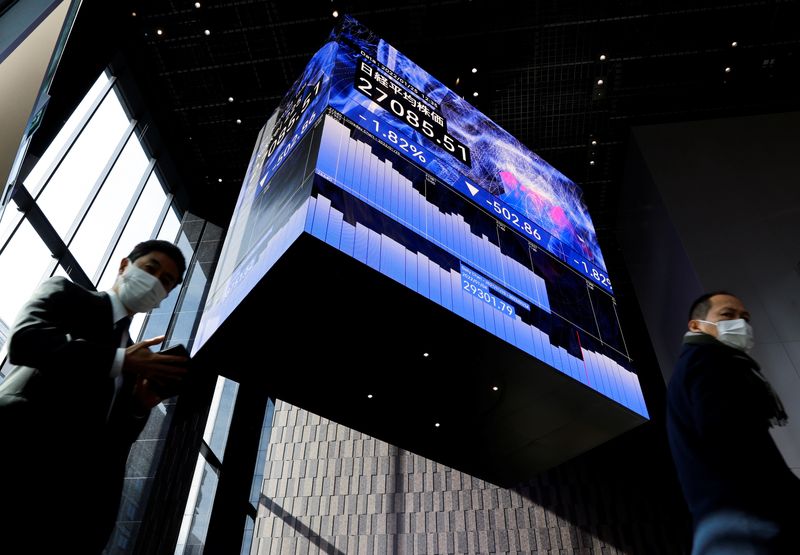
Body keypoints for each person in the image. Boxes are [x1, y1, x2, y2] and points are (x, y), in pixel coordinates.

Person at [0, 239, 190, 554]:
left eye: (166, 281)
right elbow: (25, 341)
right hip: (17, 463)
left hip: (67, 510)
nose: (155, 282)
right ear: (124, 266)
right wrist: (118, 360)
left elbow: (112, 442)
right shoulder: (67, 294)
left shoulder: (136, 360)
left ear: (165, 297)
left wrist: (138, 408)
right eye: (150, 269)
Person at [666, 291, 800, 554]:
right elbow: (736, 444)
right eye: (727, 315)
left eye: (745, 319)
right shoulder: (708, 361)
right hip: (748, 526)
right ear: (696, 325)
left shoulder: (694, 364)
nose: (741, 324)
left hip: (725, 529)